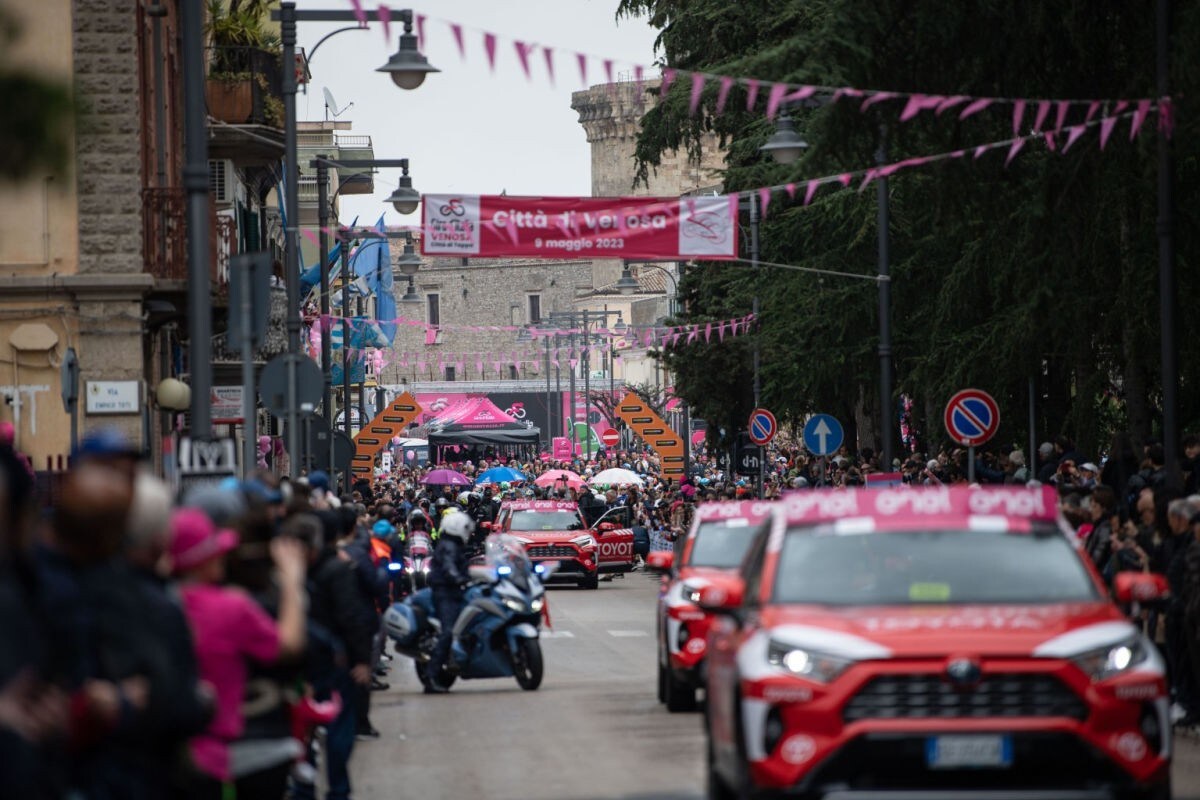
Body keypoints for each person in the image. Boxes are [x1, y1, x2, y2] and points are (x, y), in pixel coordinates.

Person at [171, 507, 307, 799]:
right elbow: (288, 645)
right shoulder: (229, 607)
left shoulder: (160, 605)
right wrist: (293, 582)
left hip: (171, 756)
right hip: (219, 754)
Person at [425, 512, 473, 694]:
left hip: (454, 590)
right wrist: (457, 578)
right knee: (448, 632)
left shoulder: (454, 545)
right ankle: (431, 676)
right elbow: (449, 566)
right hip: (445, 592)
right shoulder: (448, 546)